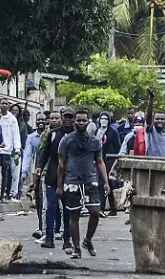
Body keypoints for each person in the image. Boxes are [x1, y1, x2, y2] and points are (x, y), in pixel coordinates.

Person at [57, 109, 110, 260]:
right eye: (78, 120)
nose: (81, 123)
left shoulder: (94, 141)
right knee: (74, 215)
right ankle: (77, 248)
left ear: (88, 122)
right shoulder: (66, 141)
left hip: (90, 181)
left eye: (83, 120)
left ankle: (88, 240)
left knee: (95, 212)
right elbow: (61, 164)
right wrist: (60, 186)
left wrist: (105, 182)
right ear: (74, 122)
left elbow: (100, 162)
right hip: (72, 181)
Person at [37, 108, 74, 250]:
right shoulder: (52, 135)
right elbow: (45, 153)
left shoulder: (76, 135)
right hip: (52, 175)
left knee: (67, 209)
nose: (68, 119)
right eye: (66, 116)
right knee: (51, 207)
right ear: (62, 118)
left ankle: (67, 239)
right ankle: (49, 237)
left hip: (70, 177)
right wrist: (40, 166)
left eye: (71, 117)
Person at [0, 99, 22, 202]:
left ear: (8, 106)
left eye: (6, 104)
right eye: (2, 103)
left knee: (12, 173)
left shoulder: (12, 119)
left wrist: (17, 148)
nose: (4, 105)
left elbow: (16, 134)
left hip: (10, 150)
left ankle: (12, 194)